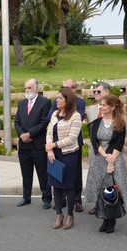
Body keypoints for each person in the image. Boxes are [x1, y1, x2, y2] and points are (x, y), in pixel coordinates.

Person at [84, 94, 127, 234]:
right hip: (100, 158)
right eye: (101, 104)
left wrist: (111, 160)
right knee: (101, 189)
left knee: (112, 189)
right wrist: (105, 155)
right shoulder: (96, 123)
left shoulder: (120, 123)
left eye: (104, 105)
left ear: (112, 107)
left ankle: (112, 219)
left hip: (115, 159)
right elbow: (94, 141)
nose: (101, 107)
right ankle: (104, 217)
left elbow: (119, 143)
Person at [47, 79, 86, 213]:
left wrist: (53, 144)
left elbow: (72, 135)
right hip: (55, 151)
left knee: (73, 178)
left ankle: (75, 204)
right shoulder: (55, 111)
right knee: (56, 182)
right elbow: (49, 128)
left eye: (67, 88)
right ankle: (60, 209)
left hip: (70, 150)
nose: (56, 100)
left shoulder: (79, 106)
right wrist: (50, 148)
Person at [14, 78, 52, 209]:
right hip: (24, 145)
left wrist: (29, 134)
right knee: (26, 173)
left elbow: (44, 122)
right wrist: (21, 135)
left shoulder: (45, 102)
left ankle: (47, 198)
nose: (27, 90)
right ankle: (26, 197)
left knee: (42, 173)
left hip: (37, 145)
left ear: (36, 88)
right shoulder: (22, 103)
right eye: (25, 88)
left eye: (29, 88)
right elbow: (17, 122)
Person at [85, 82, 110, 214]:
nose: (95, 94)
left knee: (108, 178)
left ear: (107, 93)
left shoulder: (115, 109)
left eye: (98, 92)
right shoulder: (90, 110)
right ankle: (97, 204)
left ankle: (110, 204)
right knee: (96, 177)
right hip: (95, 150)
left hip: (110, 151)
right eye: (94, 92)